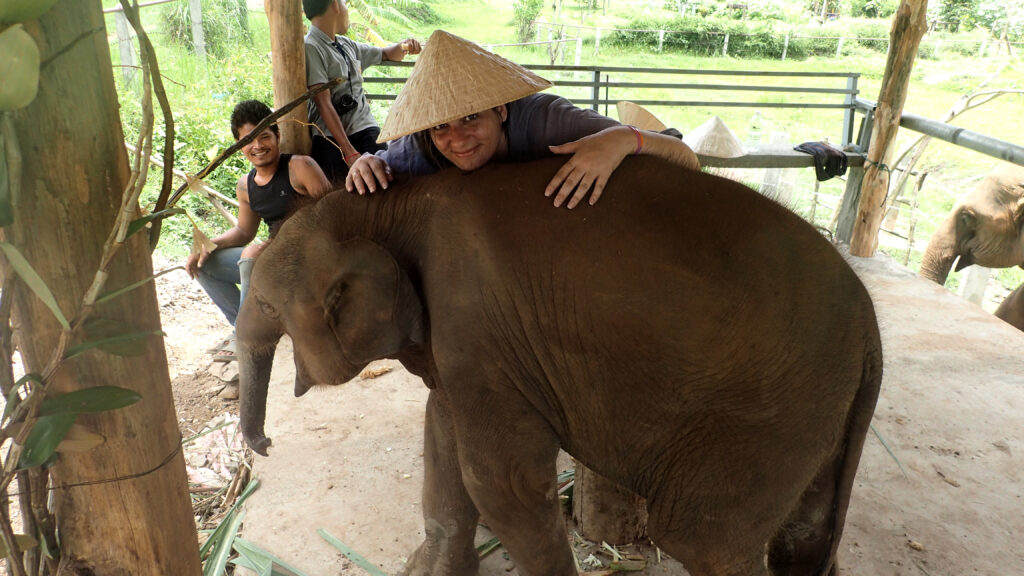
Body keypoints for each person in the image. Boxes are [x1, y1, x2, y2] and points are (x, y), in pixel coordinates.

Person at [345, 30, 700, 209]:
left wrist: (623, 139)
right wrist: (366, 163)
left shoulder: (548, 122)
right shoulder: (417, 150)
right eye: (441, 125)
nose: (458, 138)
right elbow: (375, 167)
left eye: (471, 116)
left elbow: (686, 158)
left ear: (501, 109)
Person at [186, 99, 331, 361]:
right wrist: (207, 245)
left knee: (253, 254)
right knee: (205, 264)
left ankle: (249, 337)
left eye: (264, 136)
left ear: (277, 135)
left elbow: (333, 219)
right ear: (240, 145)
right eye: (248, 140)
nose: (258, 146)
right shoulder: (245, 186)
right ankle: (243, 328)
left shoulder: (300, 167)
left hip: (309, 264)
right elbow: (243, 232)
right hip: (272, 261)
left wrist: (271, 249)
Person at [303, 0, 422, 181]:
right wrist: (349, 152)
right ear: (335, 4)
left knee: (387, 183)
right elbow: (323, 103)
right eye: (345, 4)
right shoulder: (311, 47)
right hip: (333, 141)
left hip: (365, 130)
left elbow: (386, 54)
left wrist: (404, 46)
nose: (347, 11)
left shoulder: (345, 44)